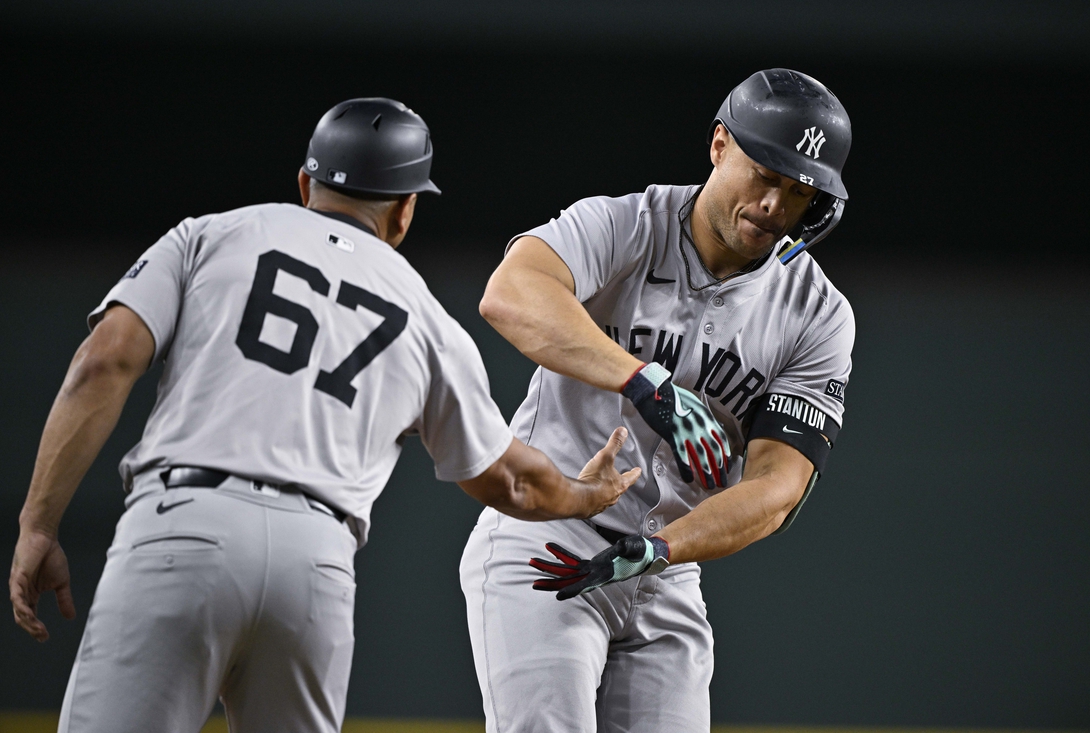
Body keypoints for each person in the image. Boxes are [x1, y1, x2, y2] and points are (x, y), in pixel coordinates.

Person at [9, 97, 641, 733]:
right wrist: (587, 497)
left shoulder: (213, 235)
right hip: (315, 562)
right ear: (404, 209)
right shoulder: (424, 317)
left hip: (186, 525)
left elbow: (103, 360)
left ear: (306, 182)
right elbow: (511, 480)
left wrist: (38, 523)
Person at [460, 68, 855, 732]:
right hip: (547, 535)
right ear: (719, 144)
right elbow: (511, 293)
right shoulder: (622, 224)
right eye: (764, 173)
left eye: (797, 192)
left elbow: (777, 485)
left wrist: (667, 547)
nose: (772, 205)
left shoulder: (817, 314)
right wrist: (643, 380)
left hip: (666, 568)